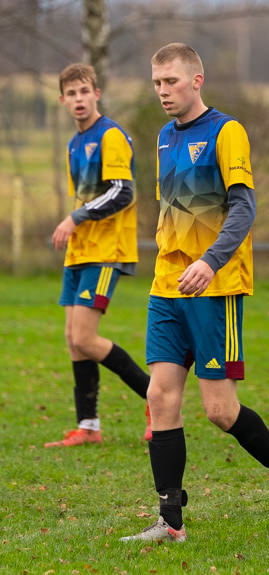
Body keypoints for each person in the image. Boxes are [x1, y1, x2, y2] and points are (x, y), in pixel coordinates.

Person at [120, 43, 269, 543]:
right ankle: (171, 521)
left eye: (172, 81)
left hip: (216, 287)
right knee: (160, 396)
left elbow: (244, 209)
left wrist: (209, 261)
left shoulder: (227, 132)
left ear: (197, 80)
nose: (163, 91)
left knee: (220, 411)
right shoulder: (163, 137)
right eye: (157, 82)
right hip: (167, 288)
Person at [46, 63, 151, 448]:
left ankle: (155, 396)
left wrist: (76, 216)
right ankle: (88, 426)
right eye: (70, 93)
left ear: (97, 94)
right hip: (80, 252)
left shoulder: (111, 136)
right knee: (74, 341)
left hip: (106, 251)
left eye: (84, 92)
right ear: (62, 100)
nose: (78, 99)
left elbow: (122, 190)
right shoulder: (75, 142)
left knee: (86, 338)